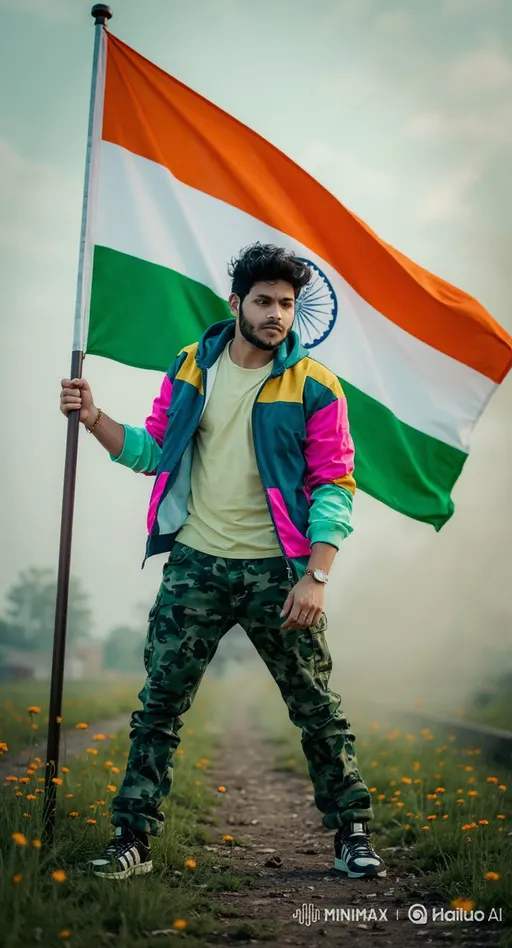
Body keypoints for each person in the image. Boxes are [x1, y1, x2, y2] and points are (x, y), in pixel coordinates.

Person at [60, 243, 385, 881]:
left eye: (286, 304)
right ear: (236, 303)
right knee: (158, 707)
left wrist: (316, 576)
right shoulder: (192, 366)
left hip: (279, 574)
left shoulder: (315, 384)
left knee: (318, 708)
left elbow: (334, 483)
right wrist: (93, 418)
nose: (276, 315)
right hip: (196, 566)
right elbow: (154, 451)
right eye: (264, 301)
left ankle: (352, 833)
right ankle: (131, 840)